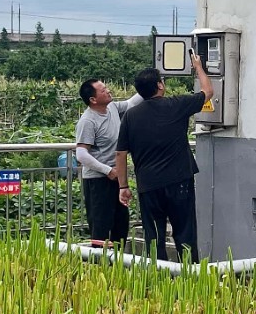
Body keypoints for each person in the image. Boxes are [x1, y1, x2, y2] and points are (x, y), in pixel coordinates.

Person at [114, 54, 213, 262]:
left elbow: (120, 153)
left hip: (148, 185)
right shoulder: (177, 105)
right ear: (159, 85)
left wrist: (123, 186)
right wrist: (198, 67)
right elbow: (208, 92)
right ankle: (190, 276)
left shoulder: (131, 116)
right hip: (179, 181)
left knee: (154, 236)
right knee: (185, 233)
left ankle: (159, 280)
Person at [74, 78, 143, 246]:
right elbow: (81, 154)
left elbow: (130, 103)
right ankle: (99, 265)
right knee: (101, 228)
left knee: (121, 225)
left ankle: (117, 266)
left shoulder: (111, 107)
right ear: (93, 99)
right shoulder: (88, 121)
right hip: (98, 181)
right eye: (103, 90)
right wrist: (108, 170)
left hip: (117, 179)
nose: (108, 91)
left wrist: (150, 83)